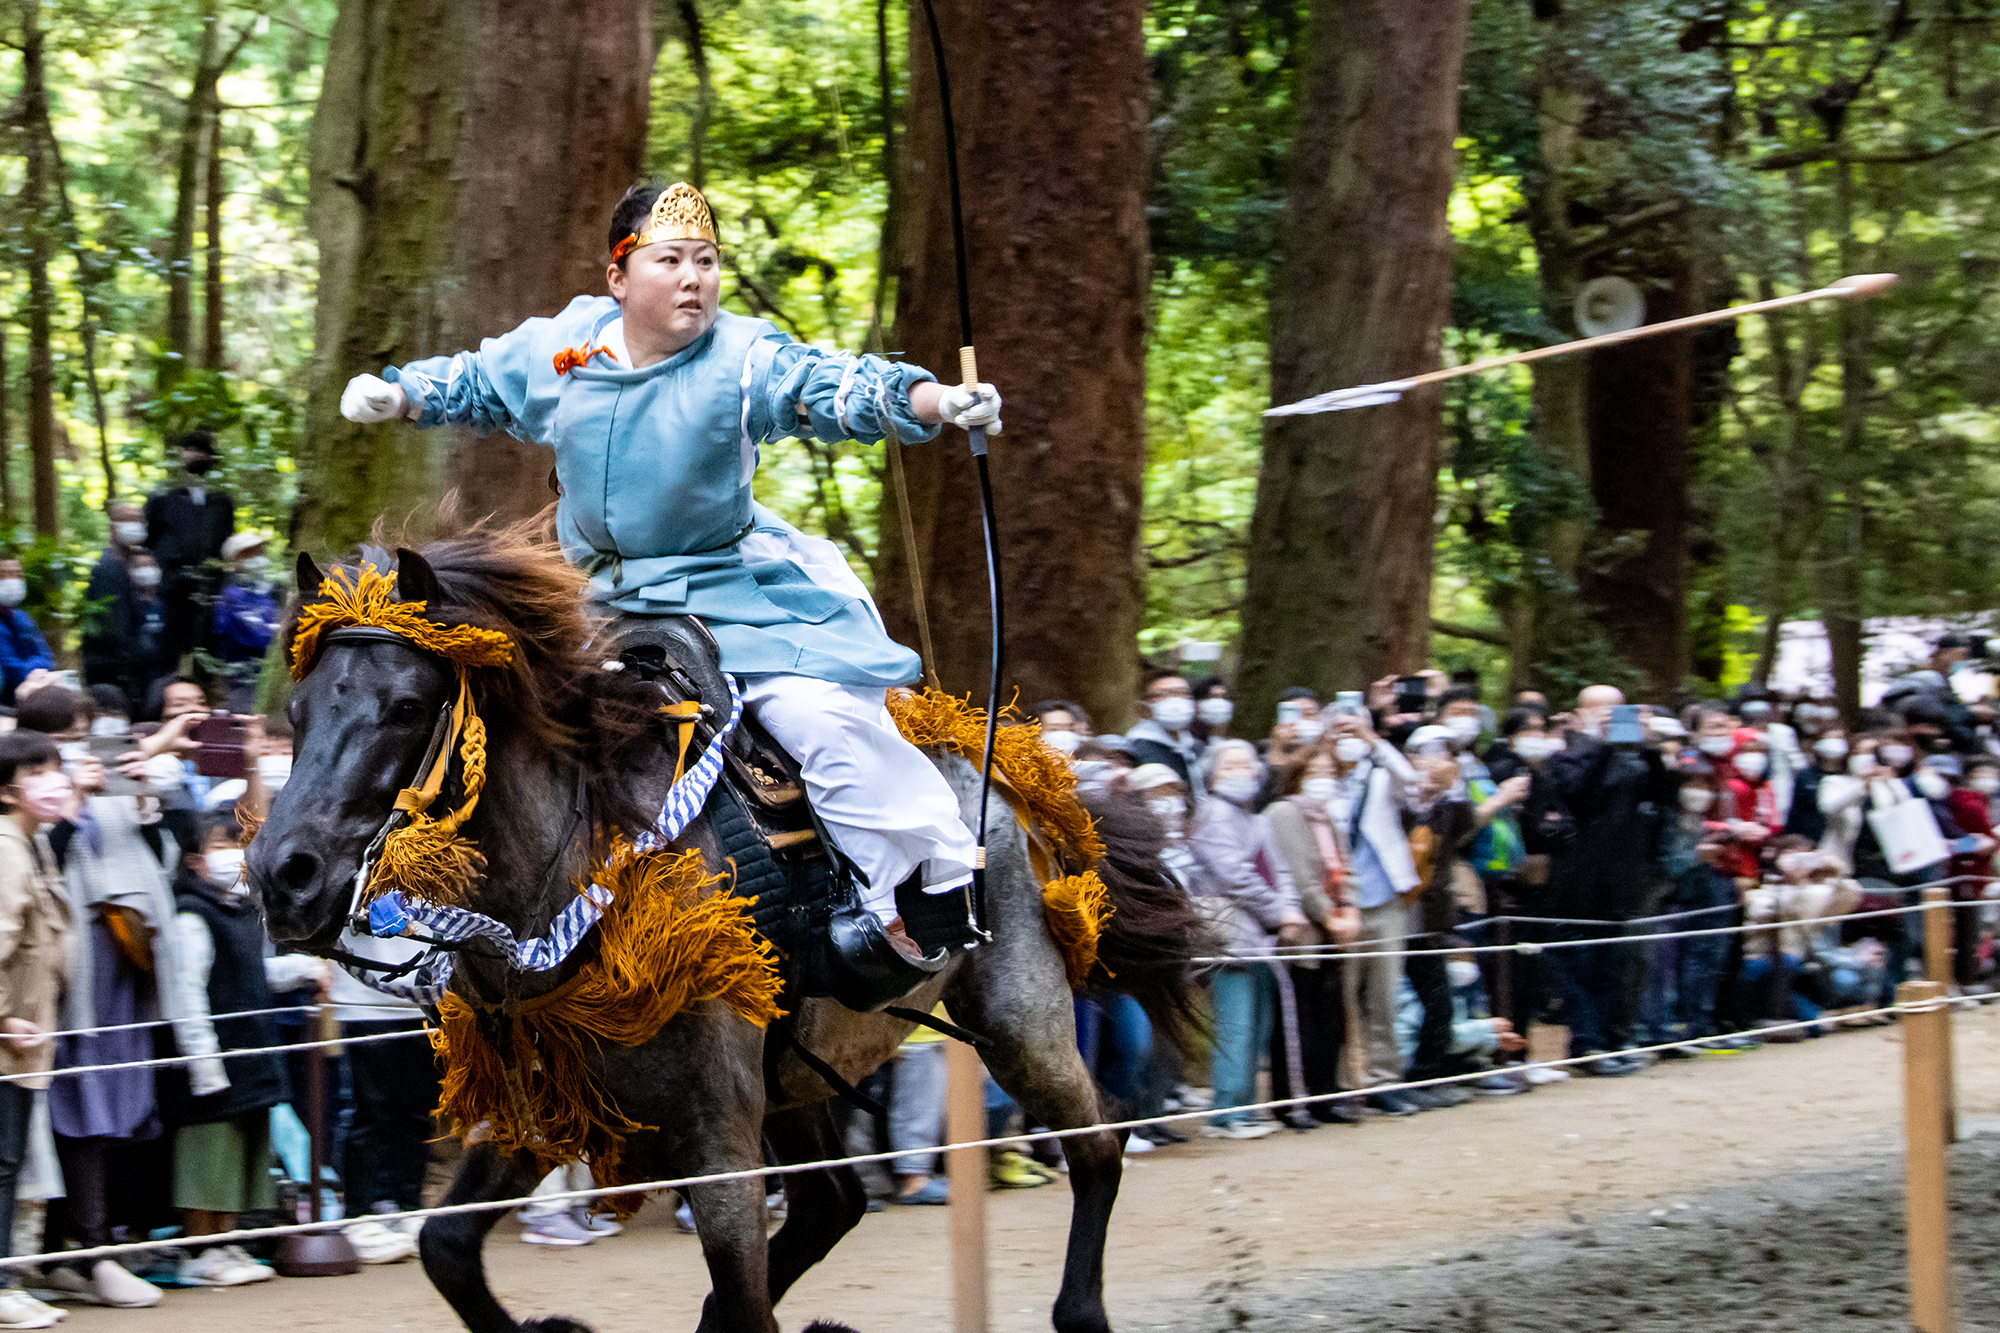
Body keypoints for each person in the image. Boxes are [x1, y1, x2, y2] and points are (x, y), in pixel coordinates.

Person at [340, 182, 1001, 1012]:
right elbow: (480, 383)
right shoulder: (567, 345)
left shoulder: (743, 359)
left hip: (732, 596)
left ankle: (914, 900)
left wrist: (935, 401)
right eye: (671, 260)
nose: (695, 278)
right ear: (619, 278)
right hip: (595, 602)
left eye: (708, 262)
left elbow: (832, 387)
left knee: (820, 723)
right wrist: (400, 395)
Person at [20, 688, 175, 1308]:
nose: (84, 747)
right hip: (59, 983)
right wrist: (70, 797)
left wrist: (142, 794)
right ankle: (88, 1249)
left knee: (114, 1103)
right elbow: (40, 869)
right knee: (77, 1108)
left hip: (120, 962)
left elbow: (162, 856)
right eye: (69, 737)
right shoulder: (28, 802)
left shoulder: (100, 780)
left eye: (89, 733)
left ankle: (75, 1250)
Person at [161, 809, 323, 1287]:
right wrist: (204, 1065)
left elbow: (252, 975)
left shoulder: (244, 911)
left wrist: (302, 971)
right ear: (193, 860)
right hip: (212, 1062)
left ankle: (228, 1241)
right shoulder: (191, 914)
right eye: (219, 844)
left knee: (243, 1153)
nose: (233, 854)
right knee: (208, 1154)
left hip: (253, 1056)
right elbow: (188, 994)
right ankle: (200, 1251)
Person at [1540, 685, 1673, 1075]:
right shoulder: (1563, 757)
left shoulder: (1631, 762)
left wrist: (1649, 747)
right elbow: (1579, 793)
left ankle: (1611, 1039)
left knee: (1614, 966)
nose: (1609, 719)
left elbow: (1662, 794)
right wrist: (1599, 744)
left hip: (1623, 879)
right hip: (1577, 882)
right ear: (1580, 715)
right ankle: (1586, 1043)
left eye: (1617, 712)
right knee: (1578, 963)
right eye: (1601, 712)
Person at [1188, 740, 1305, 1138]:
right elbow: (1231, 875)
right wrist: (1278, 911)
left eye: (1247, 765)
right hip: (1228, 936)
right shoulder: (1212, 815)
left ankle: (1247, 1105)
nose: (1241, 772)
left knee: (1260, 1023)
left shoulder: (1257, 820)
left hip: (1261, 939)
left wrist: (1288, 909)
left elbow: (1281, 870)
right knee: (1235, 1024)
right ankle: (1225, 1113)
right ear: (1212, 775)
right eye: (1230, 766)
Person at [0, 731, 72, 1329]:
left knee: (9, 1162)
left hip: (30, 1043)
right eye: (37, 772)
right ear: (6, 789)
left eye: (55, 768)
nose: (54, 781)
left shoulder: (33, 844)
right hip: (8, 1041)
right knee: (0, 1164)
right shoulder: (6, 850)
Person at [1318, 712, 1421, 1113]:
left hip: (1384, 900)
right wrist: (1324, 748)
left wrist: (1371, 739)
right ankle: (1346, 1085)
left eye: (1353, 731)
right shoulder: (1319, 783)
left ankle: (1384, 1080)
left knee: (1385, 995)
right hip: (1340, 904)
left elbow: (1410, 782)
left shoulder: (1378, 777)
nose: (1348, 739)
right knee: (1344, 998)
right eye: (1341, 731)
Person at [1263, 743, 1362, 1126]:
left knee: (1330, 1018)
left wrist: (1349, 909)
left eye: (1329, 772)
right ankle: (1292, 1100)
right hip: (1305, 933)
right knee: (1298, 1018)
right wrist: (1329, 916)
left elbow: (1344, 869)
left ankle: (1326, 1093)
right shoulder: (1284, 813)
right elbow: (1300, 875)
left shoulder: (1328, 817)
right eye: (1314, 771)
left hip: (1335, 934)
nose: (1323, 779)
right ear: (1298, 775)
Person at [144, 431, 236, 673]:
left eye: (201, 451)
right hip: (171, 594)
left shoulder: (221, 503)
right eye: (190, 450)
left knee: (204, 661)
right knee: (166, 662)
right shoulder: (164, 501)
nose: (195, 455)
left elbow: (224, 546)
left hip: (208, 596)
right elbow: (149, 544)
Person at [81, 502, 161, 710]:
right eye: (128, 520)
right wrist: (139, 658)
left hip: (126, 673)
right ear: (113, 528)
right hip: (112, 675)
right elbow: (113, 631)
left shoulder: (127, 566)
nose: (135, 525)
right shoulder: (108, 569)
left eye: (138, 520)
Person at [209, 533, 280, 714]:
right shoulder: (230, 598)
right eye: (249, 554)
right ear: (235, 561)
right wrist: (276, 632)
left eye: (259, 552)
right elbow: (256, 638)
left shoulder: (266, 596)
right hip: (240, 684)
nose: (257, 558)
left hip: (269, 681)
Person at [1125, 670, 1203, 790]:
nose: (1176, 700)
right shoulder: (1137, 750)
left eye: (1182, 693)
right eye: (1165, 694)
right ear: (1146, 705)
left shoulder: (1192, 746)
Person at [0, 564, 52, 708]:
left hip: (29, 695)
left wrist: (34, 670)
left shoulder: (22, 618)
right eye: (3, 575)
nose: (12, 581)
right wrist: (36, 668)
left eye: (17, 575)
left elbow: (46, 656)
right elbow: (10, 669)